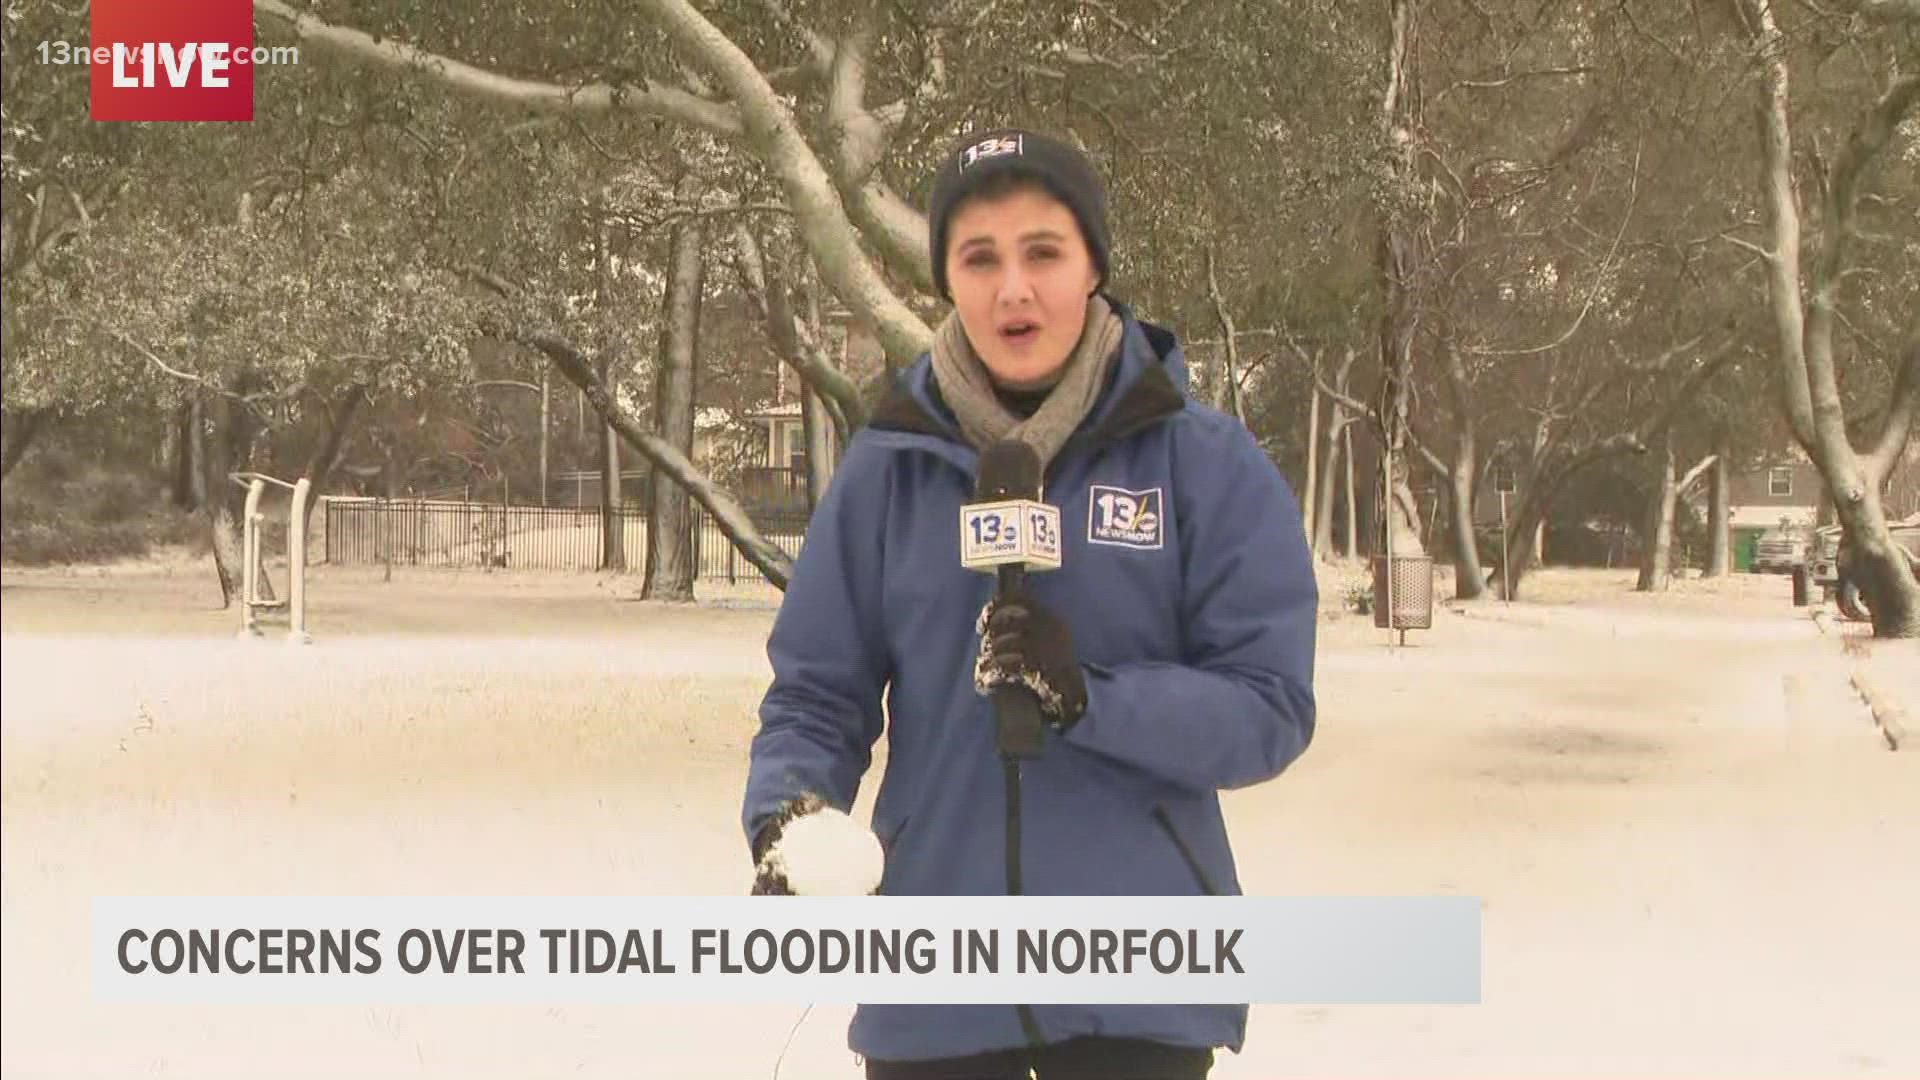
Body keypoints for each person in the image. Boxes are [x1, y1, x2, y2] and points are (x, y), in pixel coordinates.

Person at [740, 128, 1318, 1079]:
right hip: (934, 985)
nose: (1014, 289)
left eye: (1043, 252)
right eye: (980, 258)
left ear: (1092, 263)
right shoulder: (884, 471)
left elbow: (1269, 706)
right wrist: (790, 816)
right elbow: (814, 695)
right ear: (949, 281)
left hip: (1140, 983)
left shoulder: (1205, 463)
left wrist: (1091, 697)